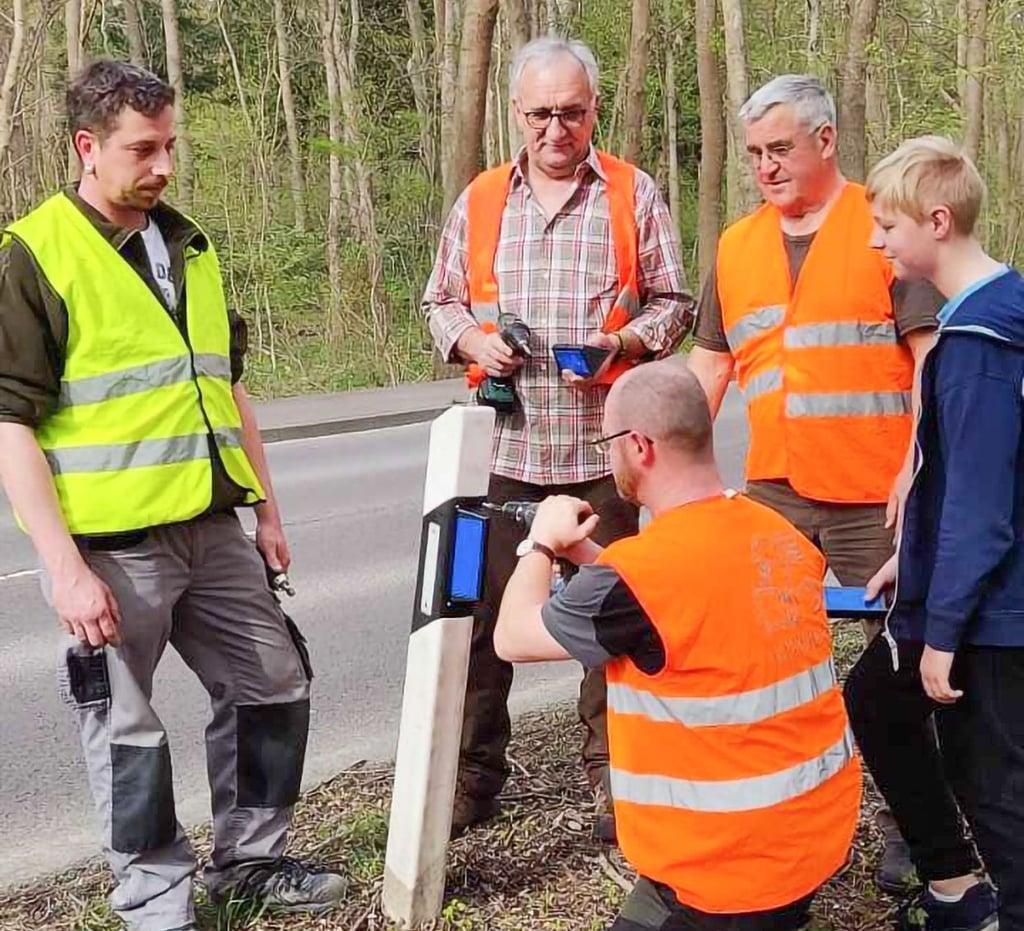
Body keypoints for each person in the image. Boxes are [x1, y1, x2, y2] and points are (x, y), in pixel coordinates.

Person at [0, 61, 346, 931]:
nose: (162, 167)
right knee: (125, 730)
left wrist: (265, 509)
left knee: (273, 681)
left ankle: (252, 861)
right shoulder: (34, 254)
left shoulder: (188, 243)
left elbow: (227, 388)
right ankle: (156, 901)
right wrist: (60, 567)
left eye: (170, 147)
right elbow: (8, 424)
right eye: (141, 150)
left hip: (214, 526)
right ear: (87, 146)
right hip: (111, 550)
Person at [422, 35, 693, 840]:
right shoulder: (478, 200)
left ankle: (617, 776)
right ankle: (471, 777)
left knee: (615, 621)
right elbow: (437, 302)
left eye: (570, 113)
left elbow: (677, 301)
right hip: (496, 465)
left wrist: (626, 345)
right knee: (473, 619)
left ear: (594, 110)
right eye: (539, 114)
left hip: (603, 461)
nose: (554, 130)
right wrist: (471, 341)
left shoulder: (633, 195)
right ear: (516, 112)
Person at [493, 360, 861, 931]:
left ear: (639, 446)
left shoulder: (642, 576)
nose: (606, 456)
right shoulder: (774, 533)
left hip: (723, 869)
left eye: (606, 442)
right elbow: (680, 609)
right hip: (810, 836)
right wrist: (587, 559)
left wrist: (539, 544)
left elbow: (512, 636)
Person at [686, 73, 939, 893]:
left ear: (825, 141)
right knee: (759, 654)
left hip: (878, 489)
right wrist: (672, 466)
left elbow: (931, 358)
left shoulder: (884, 226)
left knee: (898, 666)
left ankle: (915, 826)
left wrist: (919, 461)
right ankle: (777, 818)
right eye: (755, 153)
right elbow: (709, 371)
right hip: (776, 492)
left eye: (780, 149)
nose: (765, 166)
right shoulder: (735, 246)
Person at [846, 136, 1019, 931]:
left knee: (994, 790)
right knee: (878, 698)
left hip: (990, 616)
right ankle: (955, 888)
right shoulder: (982, 314)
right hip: (968, 596)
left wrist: (942, 627)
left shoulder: (980, 343)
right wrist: (908, 564)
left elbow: (982, 508)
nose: (877, 241)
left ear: (938, 221)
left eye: (887, 225)